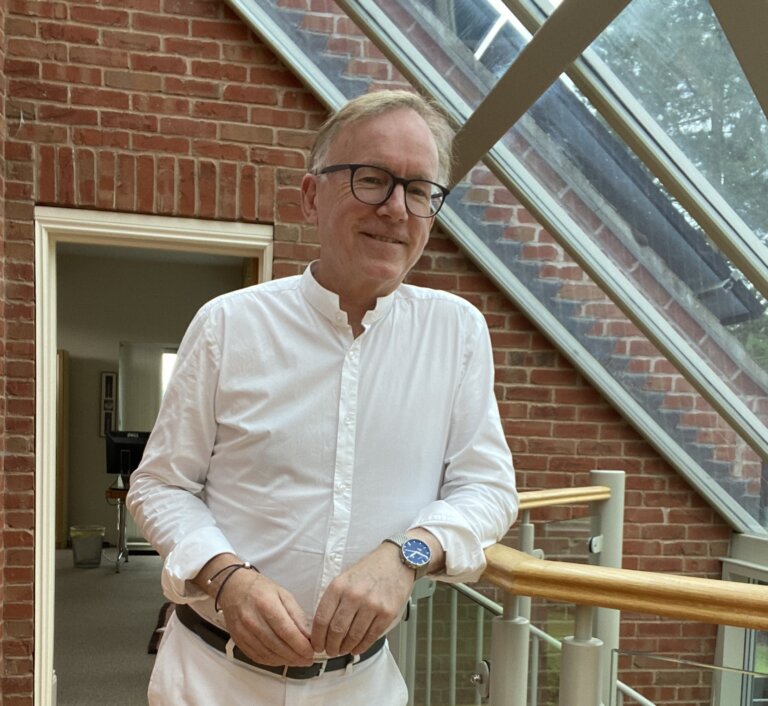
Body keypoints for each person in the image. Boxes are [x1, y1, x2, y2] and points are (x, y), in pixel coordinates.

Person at [127, 89, 518, 706]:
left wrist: (407, 554)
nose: (396, 208)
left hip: (363, 685)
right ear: (312, 195)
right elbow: (159, 486)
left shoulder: (457, 332)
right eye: (372, 179)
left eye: (419, 189)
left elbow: (488, 489)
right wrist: (226, 578)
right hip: (211, 681)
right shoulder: (229, 325)